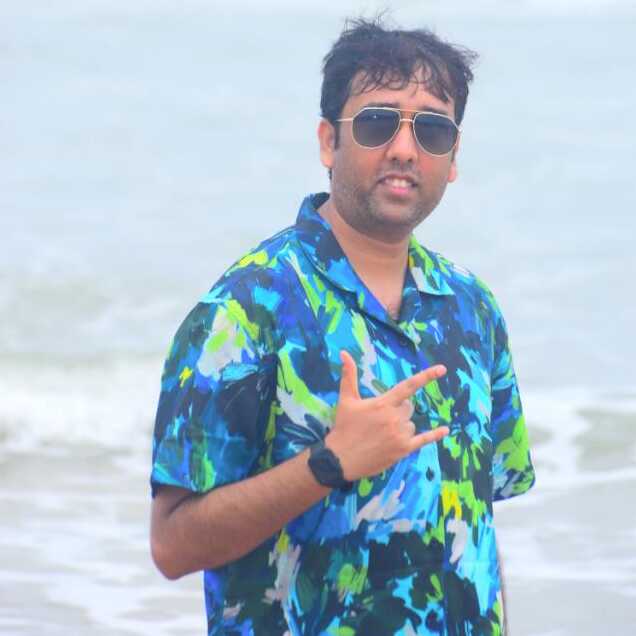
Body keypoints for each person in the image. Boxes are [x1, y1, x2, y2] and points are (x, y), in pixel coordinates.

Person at [150, 16, 535, 636]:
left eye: (432, 129)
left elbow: (476, 533)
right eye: (379, 122)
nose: (405, 149)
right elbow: (172, 544)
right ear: (329, 142)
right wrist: (327, 463)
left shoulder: (471, 308)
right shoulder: (246, 308)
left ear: (453, 158)